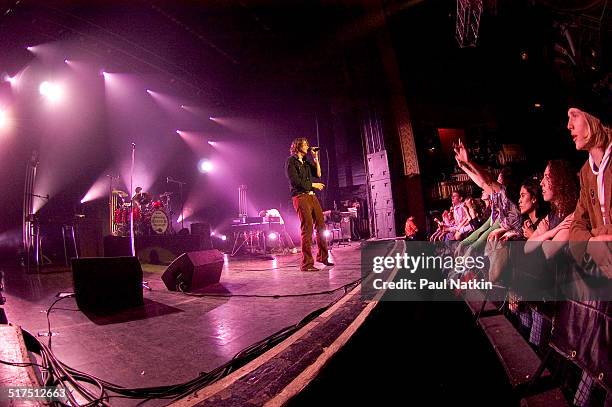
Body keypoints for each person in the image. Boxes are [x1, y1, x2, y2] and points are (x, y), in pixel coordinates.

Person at [286, 138, 333, 271]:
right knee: (307, 228)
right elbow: (295, 181)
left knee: (321, 226)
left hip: (312, 196)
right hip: (300, 197)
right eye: (305, 145)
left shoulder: (306, 162)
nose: (307, 147)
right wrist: (313, 185)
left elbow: (318, 174)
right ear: (297, 146)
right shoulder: (291, 161)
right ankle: (307, 264)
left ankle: (322, 257)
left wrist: (315, 158)